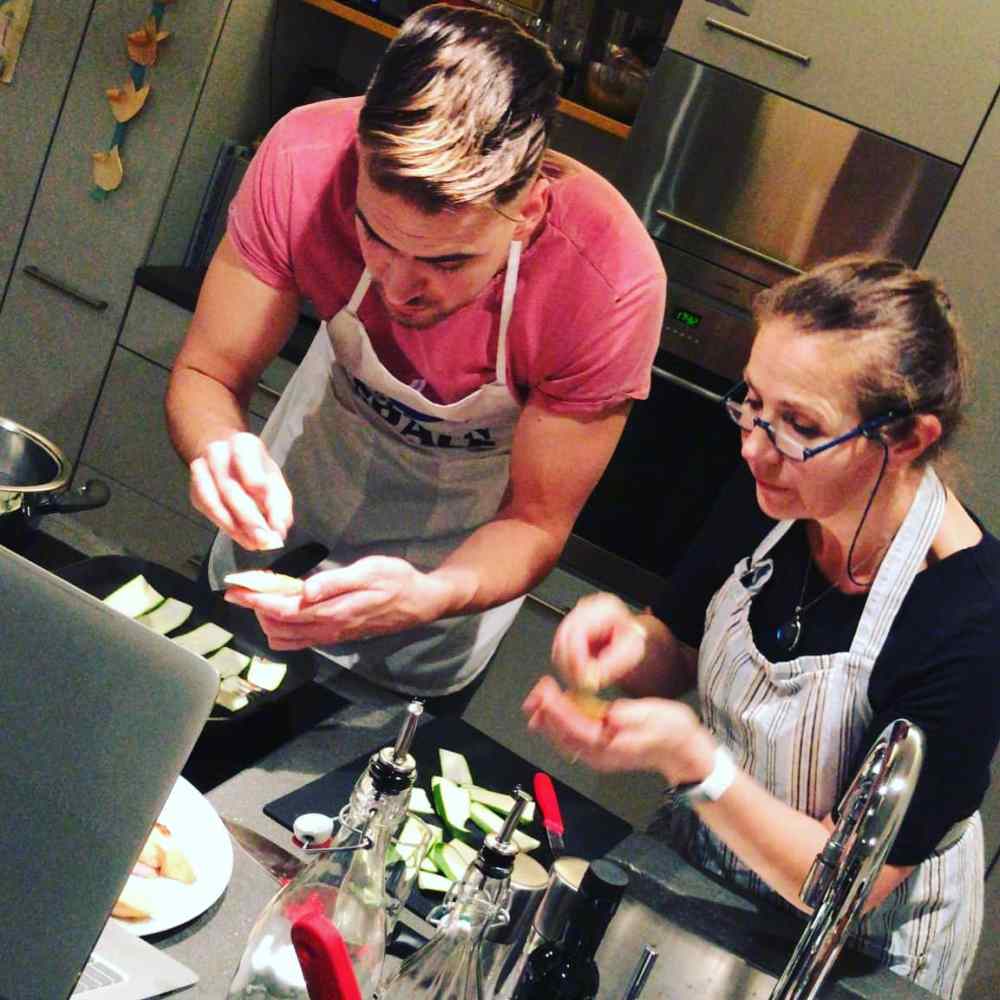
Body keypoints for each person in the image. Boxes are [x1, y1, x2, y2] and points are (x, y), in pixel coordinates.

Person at [523, 256, 1000, 998]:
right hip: (703, 879)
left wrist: (695, 760)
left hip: (856, 956)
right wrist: (626, 642)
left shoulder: (972, 621)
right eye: (753, 403)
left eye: (801, 424)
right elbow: (677, 645)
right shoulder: (775, 492)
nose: (754, 446)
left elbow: (841, 885)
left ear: (906, 439)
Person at [164, 4, 665, 704]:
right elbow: (207, 372)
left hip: (453, 579)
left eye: (449, 260)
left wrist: (431, 594)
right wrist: (216, 445)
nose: (399, 288)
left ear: (528, 212)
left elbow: (536, 521)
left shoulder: (607, 281)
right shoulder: (304, 163)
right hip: (300, 507)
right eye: (374, 235)